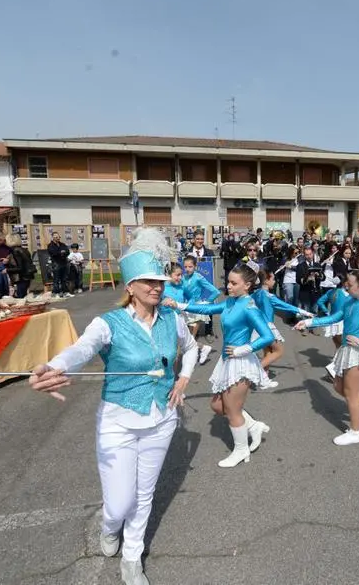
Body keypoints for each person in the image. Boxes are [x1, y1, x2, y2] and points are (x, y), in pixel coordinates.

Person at [29, 228, 197, 585]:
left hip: (161, 420)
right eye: (148, 281)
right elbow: (83, 349)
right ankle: (110, 527)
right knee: (119, 504)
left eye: (161, 281)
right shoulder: (109, 323)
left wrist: (183, 378)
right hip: (117, 422)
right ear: (130, 287)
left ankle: (132, 557)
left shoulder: (172, 319)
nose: (157, 287)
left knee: (144, 495)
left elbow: (193, 348)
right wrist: (58, 366)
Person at [164, 264, 275, 467]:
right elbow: (207, 308)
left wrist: (245, 348)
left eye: (234, 283)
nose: (228, 286)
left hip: (240, 362)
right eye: (228, 282)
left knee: (232, 410)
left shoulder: (249, 307)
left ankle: (241, 450)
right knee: (217, 405)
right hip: (227, 360)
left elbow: (268, 336)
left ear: (247, 285)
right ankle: (253, 426)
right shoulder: (231, 302)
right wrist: (179, 306)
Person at [295, 270, 359, 445]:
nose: (346, 285)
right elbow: (333, 318)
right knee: (338, 386)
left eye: (350, 284)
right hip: (347, 350)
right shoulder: (349, 302)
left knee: (351, 393)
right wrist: (308, 322)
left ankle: (355, 432)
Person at [251, 269, 314, 388]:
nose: (274, 281)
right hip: (266, 326)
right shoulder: (268, 295)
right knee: (278, 351)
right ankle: (254, 371)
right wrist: (305, 312)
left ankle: (263, 379)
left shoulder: (256, 293)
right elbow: (286, 306)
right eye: (273, 279)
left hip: (258, 326)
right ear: (266, 280)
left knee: (268, 352)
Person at [182, 255, 218, 365]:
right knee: (186, 338)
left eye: (190, 266)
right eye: (185, 267)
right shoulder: (183, 278)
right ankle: (203, 349)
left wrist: (207, 303)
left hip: (196, 310)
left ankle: (192, 358)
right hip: (185, 308)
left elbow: (215, 291)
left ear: (195, 266)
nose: (187, 269)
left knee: (190, 338)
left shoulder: (198, 277)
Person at [316, 281, 352, 379]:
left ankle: (336, 370)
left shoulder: (331, 292)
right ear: (345, 283)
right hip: (342, 323)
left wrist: (327, 311)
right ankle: (334, 370)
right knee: (344, 347)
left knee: (338, 346)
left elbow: (319, 301)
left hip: (332, 323)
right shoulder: (348, 295)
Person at [185, 232, 216, 343]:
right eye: (197, 239)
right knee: (192, 306)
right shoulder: (188, 253)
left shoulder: (210, 253)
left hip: (206, 283)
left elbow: (212, 269)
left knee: (208, 304)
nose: (200, 241)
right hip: (192, 285)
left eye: (202, 239)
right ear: (193, 239)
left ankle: (208, 331)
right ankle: (194, 331)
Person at [5, 234, 36, 298]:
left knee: (21, 297)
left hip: (22, 277)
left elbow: (20, 267)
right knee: (23, 295)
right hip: (28, 275)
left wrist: (7, 270)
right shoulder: (24, 250)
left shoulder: (15, 251)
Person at [47, 232, 71, 297]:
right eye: (56, 237)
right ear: (53, 238)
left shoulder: (62, 244)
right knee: (56, 279)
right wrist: (61, 252)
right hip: (56, 264)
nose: (58, 238)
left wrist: (62, 253)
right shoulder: (50, 245)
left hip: (64, 263)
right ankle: (56, 292)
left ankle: (65, 292)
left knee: (64, 279)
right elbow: (53, 253)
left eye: (58, 237)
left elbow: (67, 251)